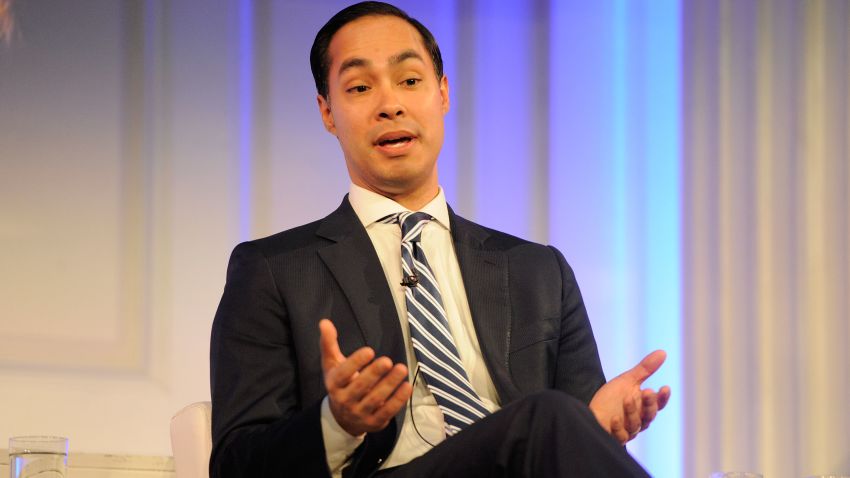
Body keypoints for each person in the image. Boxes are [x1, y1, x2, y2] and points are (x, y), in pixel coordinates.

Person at [209, 2, 671, 477]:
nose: (390, 104)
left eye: (410, 81)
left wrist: (594, 426)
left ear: (443, 94)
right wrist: (338, 422)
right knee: (545, 416)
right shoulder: (272, 269)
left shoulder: (540, 271)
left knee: (553, 420)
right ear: (327, 111)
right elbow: (233, 465)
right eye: (360, 87)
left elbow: (570, 433)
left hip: (527, 458)